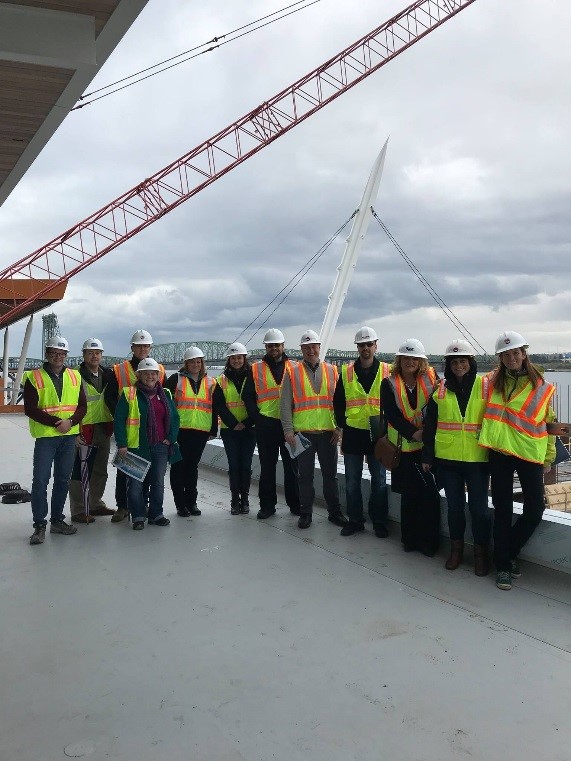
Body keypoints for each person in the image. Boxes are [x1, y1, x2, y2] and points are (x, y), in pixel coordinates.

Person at [479, 331, 556, 591]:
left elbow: (550, 424)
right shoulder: (490, 382)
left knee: (535, 509)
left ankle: (507, 552)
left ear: (524, 353)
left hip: (528, 454)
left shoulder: (541, 386)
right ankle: (503, 566)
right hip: (500, 453)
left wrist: (548, 457)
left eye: (516, 353)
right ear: (500, 358)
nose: (512, 358)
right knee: (502, 510)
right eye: (506, 354)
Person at [422, 339, 492, 575]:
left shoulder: (485, 387)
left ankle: (481, 554)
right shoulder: (440, 389)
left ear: (470, 363)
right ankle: (456, 551)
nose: (458, 365)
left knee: (479, 509)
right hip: (448, 460)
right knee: (454, 508)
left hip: (478, 459)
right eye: (454, 362)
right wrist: (428, 456)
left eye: (462, 361)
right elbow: (430, 425)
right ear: (448, 365)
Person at [280, 330, 348, 529]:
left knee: (330, 475)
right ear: (301, 349)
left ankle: (334, 512)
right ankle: (305, 513)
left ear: (319, 347)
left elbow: (340, 402)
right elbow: (285, 404)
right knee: (305, 476)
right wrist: (288, 430)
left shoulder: (333, 370)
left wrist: (339, 428)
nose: (311, 350)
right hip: (304, 434)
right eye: (307, 347)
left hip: (328, 433)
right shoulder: (292, 372)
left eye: (314, 346)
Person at [25, 336, 87, 545]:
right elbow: (30, 409)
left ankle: (57, 520)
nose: (58, 356)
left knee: (62, 480)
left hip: (68, 437)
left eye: (61, 353)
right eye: (53, 352)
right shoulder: (34, 377)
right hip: (46, 438)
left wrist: (70, 422)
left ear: (66, 355)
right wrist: (56, 423)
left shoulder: (75, 376)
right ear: (47, 354)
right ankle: (39, 525)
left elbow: (82, 407)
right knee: (40, 481)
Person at [381, 338, 440, 555]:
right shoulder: (388, 383)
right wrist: (414, 433)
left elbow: (438, 407)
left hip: (426, 449)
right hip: (403, 449)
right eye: (406, 357)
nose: (410, 362)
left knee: (429, 496)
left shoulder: (432, 379)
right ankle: (409, 539)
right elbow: (392, 415)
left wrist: (426, 436)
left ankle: (428, 542)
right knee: (409, 496)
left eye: (414, 358)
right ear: (399, 360)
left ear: (421, 361)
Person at [334, 326, 391, 538]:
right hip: (353, 434)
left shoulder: (388, 370)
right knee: (351, 481)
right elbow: (338, 402)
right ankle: (355, 521)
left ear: (376, 345)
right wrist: (342, 426)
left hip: (379, 434)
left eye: (369, 344)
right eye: (362, 345)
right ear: (357, 348)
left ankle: (379, 522)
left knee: (379, 480)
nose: (365, 348)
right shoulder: (346, 372)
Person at [104, 329, 166, 523]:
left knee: (147, 473)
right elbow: (110, 396)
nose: (142, 349)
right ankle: (123, 506)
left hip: (151, 433)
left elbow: (162, 399)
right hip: (130, 431)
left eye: (146, 346)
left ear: (150, 348)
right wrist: (122, 418)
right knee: (125, 471)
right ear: (132, 348)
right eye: (139, 346)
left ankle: (143, 505)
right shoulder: (119, 370)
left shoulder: (159, 369)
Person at [114, 358, 179, 530]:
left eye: (153, 373)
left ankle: (156, 514)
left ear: (158, 375)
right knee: (135, 484)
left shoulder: (165, 393)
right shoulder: (129, 393)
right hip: (135, 446)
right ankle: (138, 516)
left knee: (157, 482)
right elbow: (119, 420)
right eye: (146, 373)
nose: (150, 376)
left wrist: (170, 438)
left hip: (159, 446)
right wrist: (122, 444)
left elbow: (174, 418)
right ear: (139, 375)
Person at [252, 328, 301, 519]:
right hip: (267, 426)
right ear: (266, 347)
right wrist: (257, 418)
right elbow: (249, 396)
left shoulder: (295, 367)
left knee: (292, 467)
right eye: (270, 345)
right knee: (267, 468)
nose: (273, 348)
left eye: (277, 345)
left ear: (283, 346)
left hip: (290, 425)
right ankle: (267, 506)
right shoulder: (255, 368)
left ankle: (295, 504)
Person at [166, 347, 217, 517]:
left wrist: (213, 429)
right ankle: (180, 505)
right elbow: (165, 405)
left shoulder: (211, 382)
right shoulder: (176, 379)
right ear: (186, 363)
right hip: (179, 431)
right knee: (178, 467)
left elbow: (214, 407)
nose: (196, 364)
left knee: (192, 468)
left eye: (199, 361)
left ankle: (191, 502)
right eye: (192, 361)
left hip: (200, 431)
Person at [69, 338, 115, 523]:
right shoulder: (75, 376)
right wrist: (73, 431)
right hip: (83, 428)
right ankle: (78, 510)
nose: (94, 356)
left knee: (100, 470)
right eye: (90, 352)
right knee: (79, 471)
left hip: (103, 427)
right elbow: (69, 404)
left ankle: (95, 504)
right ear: (84, 355)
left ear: (102, 355)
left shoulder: (108, 375)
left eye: (97, 353)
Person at [213, 342, 257, 514]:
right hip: (229, 430)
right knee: (234, 465)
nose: (236, 360)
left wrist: (246, 423)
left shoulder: (253, 377)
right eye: (233, 358)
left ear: (244, 359)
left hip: (249, 428)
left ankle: (244, 499)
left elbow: (258, 402)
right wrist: (234, 423)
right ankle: (234, 501)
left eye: (239, 357)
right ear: (229, 360)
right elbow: (219, 406)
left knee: (246, 465)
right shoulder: (220, 380)